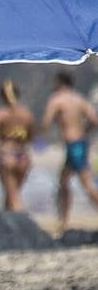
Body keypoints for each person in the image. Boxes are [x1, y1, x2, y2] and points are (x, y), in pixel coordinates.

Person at [41, 71, 98, 231]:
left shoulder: (57, 99)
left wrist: (42, 132)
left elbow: (46, 121)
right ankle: (63, 221)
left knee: (86, 182)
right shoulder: (79, 98)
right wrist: (84, 130)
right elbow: (94, 119)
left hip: (73, 145)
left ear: (59, 82)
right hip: (81, 142)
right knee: (63, 181)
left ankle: (64, 220)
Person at [0, 79, 35, 212]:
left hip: (7, 154)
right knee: (13, 192)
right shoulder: (26, 113)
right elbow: (31, 136)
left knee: (13, 194)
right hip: (23, 155)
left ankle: (21, 224)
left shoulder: (1, 113)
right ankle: (7, 224)